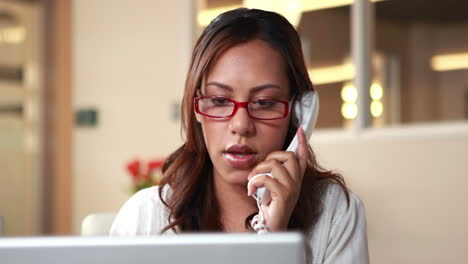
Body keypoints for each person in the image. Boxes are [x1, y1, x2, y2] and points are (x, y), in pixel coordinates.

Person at [110, 8, 369, 263]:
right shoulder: (144, 217)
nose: (241, 125)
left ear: (299, 112)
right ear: (195, 107)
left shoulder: (335, 213)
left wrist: (274, 242)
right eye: (220, 100)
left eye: (265, 102)